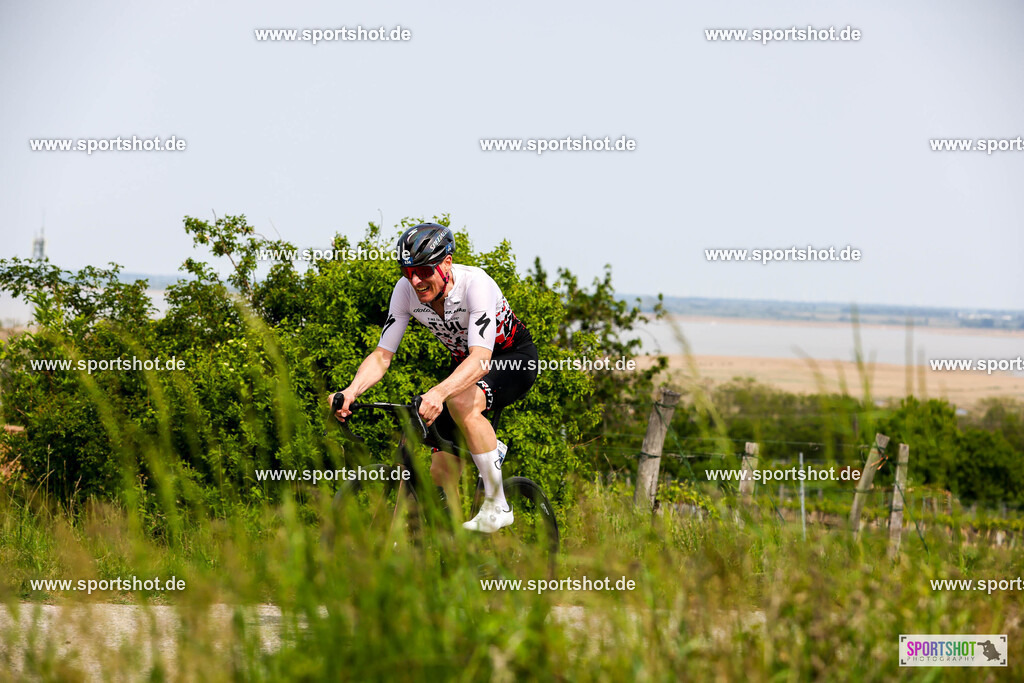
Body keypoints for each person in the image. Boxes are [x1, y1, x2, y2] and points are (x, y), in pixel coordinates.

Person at [330, 222, 538, 533]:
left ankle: (498, 503)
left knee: (459, 399)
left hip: (512, 359)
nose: (415, 280)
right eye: (407, 271)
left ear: (447, 263)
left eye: (424, 270)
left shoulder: (476, 285)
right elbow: (382, 355)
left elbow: (482, 359)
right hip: (464, 367)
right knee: (441, 471)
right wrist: (352, 390)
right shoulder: (405, 291)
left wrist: (439, 394)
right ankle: (454, 547)